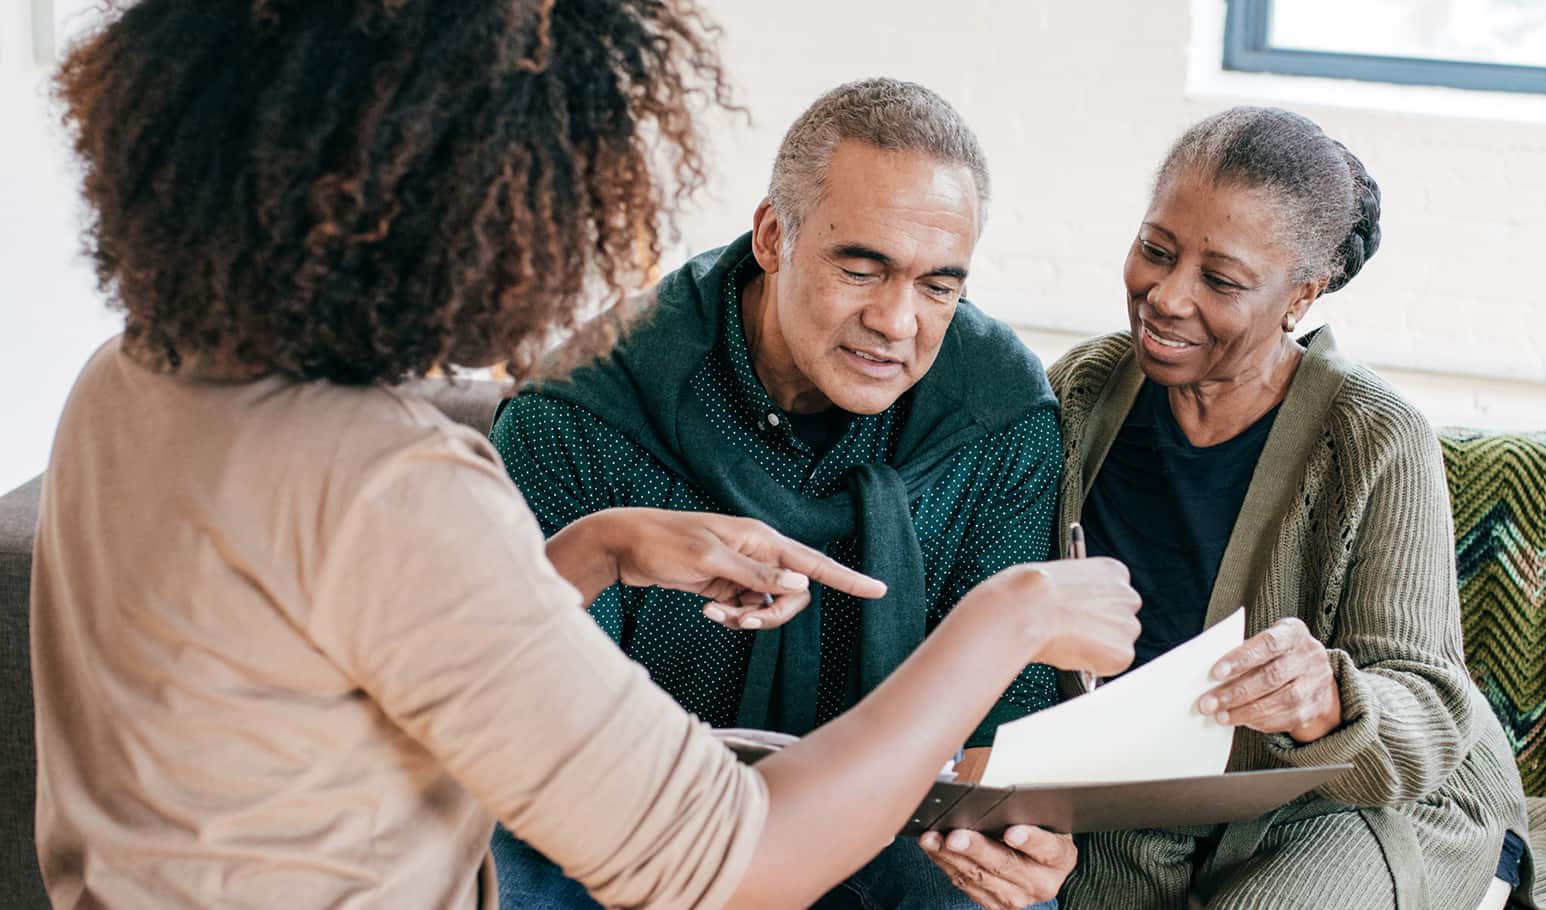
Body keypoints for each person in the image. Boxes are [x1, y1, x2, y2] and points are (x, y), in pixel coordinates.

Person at [29, 3, 1143, 909]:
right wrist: (1009, 614)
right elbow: (736, 862)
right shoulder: (394, 487)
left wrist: (594, 548)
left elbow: (368, 650)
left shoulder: (130, 377)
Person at [489, 78, 1079, 909]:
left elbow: (999, 721)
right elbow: (539, 729)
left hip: (886, 816)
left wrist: (1017, 835)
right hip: (629, 814)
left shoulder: (999, 413)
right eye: (862, 267)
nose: (897, 321)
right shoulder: (582, 412)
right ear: (773, 235)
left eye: (939, 284)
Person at [1038, 107, 1528, 910]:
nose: (1165, 296)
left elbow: (1430, 705)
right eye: (1155, 250)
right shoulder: (1081, 394)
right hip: (1146, 798)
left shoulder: (1377, 438)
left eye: (1221, 281)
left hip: (1351, 797)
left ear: (1300, 295)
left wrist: (1328, 696)